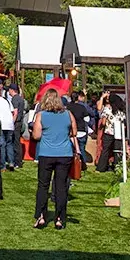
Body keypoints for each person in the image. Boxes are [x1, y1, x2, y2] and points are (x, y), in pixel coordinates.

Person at [31, 88, 75, 229]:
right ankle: (60, 218)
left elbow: (36, 136)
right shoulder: (68, 114)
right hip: (64, 153)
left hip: (46, 153)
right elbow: (74, 132)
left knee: (43, 186)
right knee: (61, 187)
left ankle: (41, 216)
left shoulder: (41, 115)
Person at [0, 84, 17, 171]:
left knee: (2, 145)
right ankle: (11, 162)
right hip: (9, 124)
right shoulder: (6, 101)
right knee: (9, 143)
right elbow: (13, 111)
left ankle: (3, 165)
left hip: (1, 124)